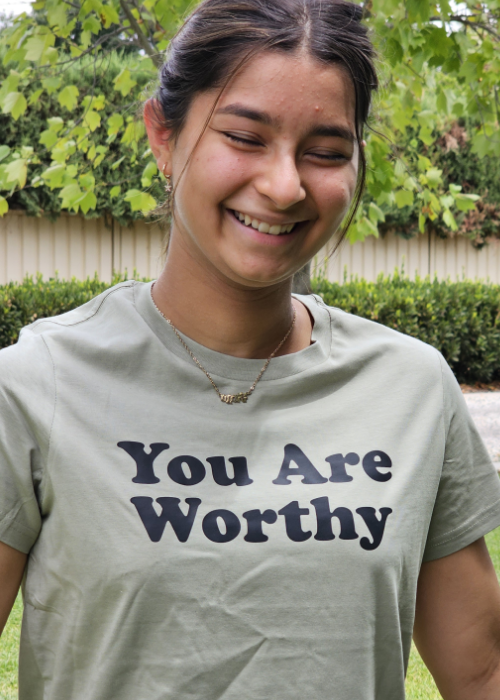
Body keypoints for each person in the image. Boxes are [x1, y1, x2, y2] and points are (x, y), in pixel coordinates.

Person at [1, 0, 500, 698]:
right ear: (163, 136)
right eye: (244, 137)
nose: (285, 185)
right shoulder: (35, 386)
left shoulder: (412, 387)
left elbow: (481, 672)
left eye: (326, 152)